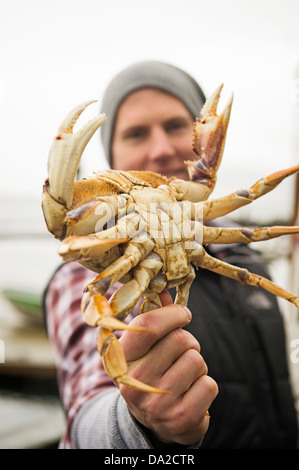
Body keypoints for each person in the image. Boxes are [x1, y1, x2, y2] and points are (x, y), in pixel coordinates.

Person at [44, 61, 298, 449]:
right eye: (136, 134)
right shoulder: (84, 273)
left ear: (203, 147)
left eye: (176, 126)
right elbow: (85, 414)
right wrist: (139, 424)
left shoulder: (242, 255)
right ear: (110, 155)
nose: (160, 149)